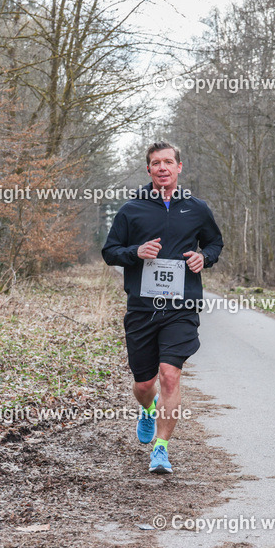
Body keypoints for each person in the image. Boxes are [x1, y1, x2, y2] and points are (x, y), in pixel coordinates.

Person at [102, 141, 224, 474]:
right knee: (144, 383)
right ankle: (148, 407)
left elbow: (214, 242)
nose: (162, 168)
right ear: (149, 170)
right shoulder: (132, 209)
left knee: (170, 376)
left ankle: (161, 448)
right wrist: (135, 252)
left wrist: (205, 257)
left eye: (168, 162)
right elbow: (110, 251)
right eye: (156, 163)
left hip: (181, 305)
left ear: (179, 167)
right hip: (142, 306)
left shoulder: (196, 208)